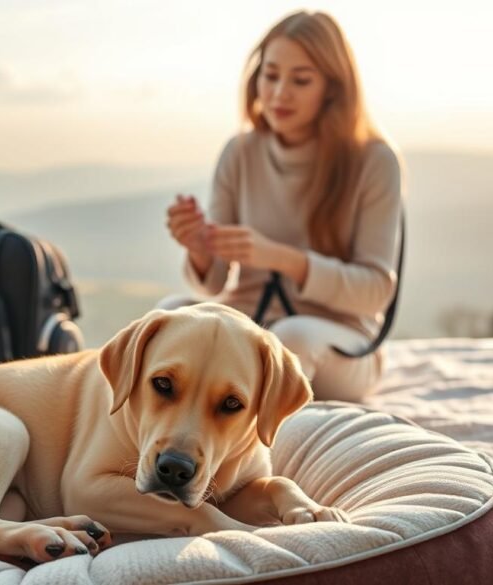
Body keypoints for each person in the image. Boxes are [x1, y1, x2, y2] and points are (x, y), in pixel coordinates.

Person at [163, 10, 403, 402]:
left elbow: (375, 291)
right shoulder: (240, 152)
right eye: (270, 76)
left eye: (300, 80)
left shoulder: (374, 161)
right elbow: (215, 283)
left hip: (339, 345)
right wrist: (199, 248)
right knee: (171, 315)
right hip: (251, 328)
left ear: (332, 86)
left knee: (290, 340)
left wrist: (284, 259)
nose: (278, 93)